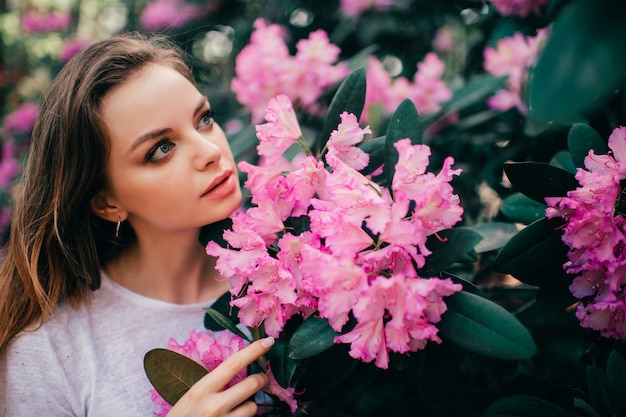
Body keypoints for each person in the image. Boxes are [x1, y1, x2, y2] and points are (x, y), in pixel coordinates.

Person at [0, 32, 273, 416]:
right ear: (108, 203)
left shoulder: (293, 267)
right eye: (161, 149)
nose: (211, 152)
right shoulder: (49, 351)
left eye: (204, 119)